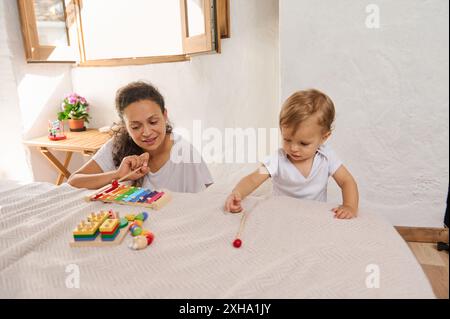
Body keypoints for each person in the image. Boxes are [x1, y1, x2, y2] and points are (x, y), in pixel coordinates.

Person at [224, 89, 359, 219]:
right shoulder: (277, 159)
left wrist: (349, 206)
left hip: (314, 216)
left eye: (303, 143)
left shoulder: (327, 157)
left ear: (324, 137)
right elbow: (253, 178)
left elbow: (347, 181)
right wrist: (237, 193)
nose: (293, 148)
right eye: (287, 139)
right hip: (282, 215)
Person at [68, 81, 213, 192]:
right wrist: (117, 175)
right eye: (136, 126)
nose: (147, 132)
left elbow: (205, 196)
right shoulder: (117, 146)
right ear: (125, 126)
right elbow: (74, 181)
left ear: (165, 115)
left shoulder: (184, 152)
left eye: (153, 122)